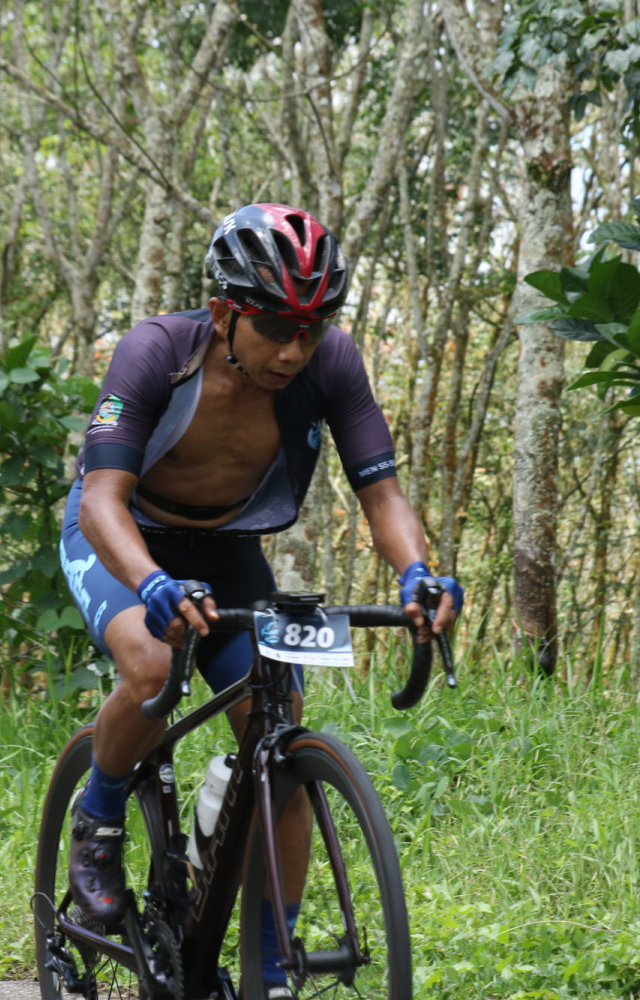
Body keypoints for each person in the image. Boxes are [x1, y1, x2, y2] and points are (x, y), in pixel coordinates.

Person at [58, 203, 463, 997]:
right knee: (151, 665)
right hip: (123, 537)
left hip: (227, 552)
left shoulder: (330, 363)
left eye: (312, 328)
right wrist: (151, 583)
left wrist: (418, 573)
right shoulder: (156, 352)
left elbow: (382, 494)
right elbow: (102, 498)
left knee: (279, 731)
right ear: (224, 314)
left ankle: (269, 968)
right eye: (276, 326)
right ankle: (98, 818)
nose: (293, 350)